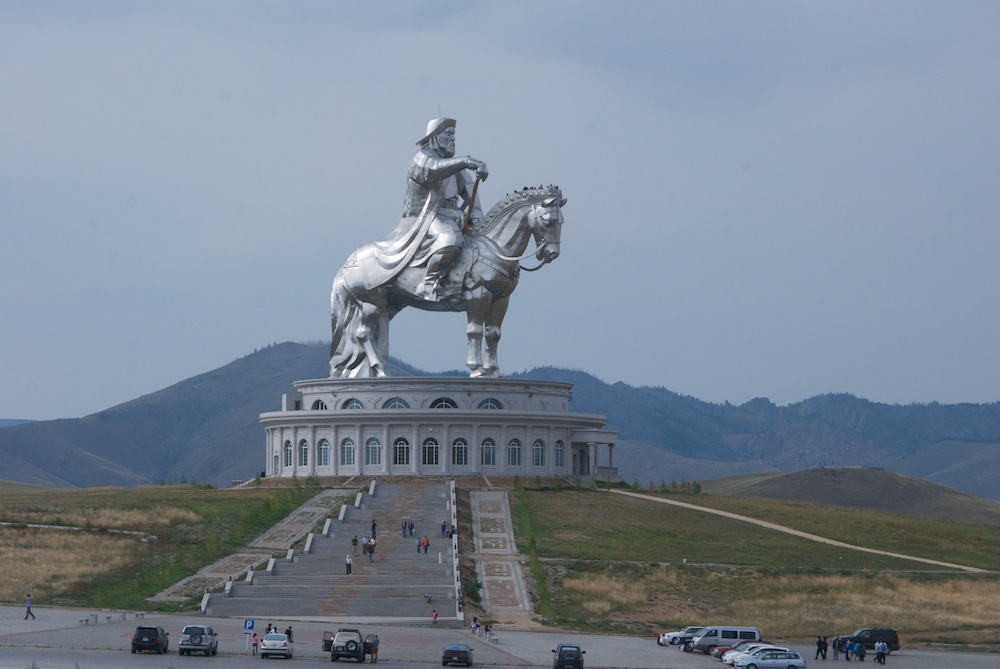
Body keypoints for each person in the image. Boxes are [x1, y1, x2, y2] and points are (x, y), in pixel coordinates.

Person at [373, 117, 489, 301]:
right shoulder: (422, 159)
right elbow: (433, 170)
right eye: (448, 135)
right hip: (428, 217)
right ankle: (427, 284)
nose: (453, 140)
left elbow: (469, 191)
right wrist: (467, 161)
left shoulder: (455, 167)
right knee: (449, 239)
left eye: (454, 136)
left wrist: (476, 216)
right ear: (434, 137)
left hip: (455, 215)